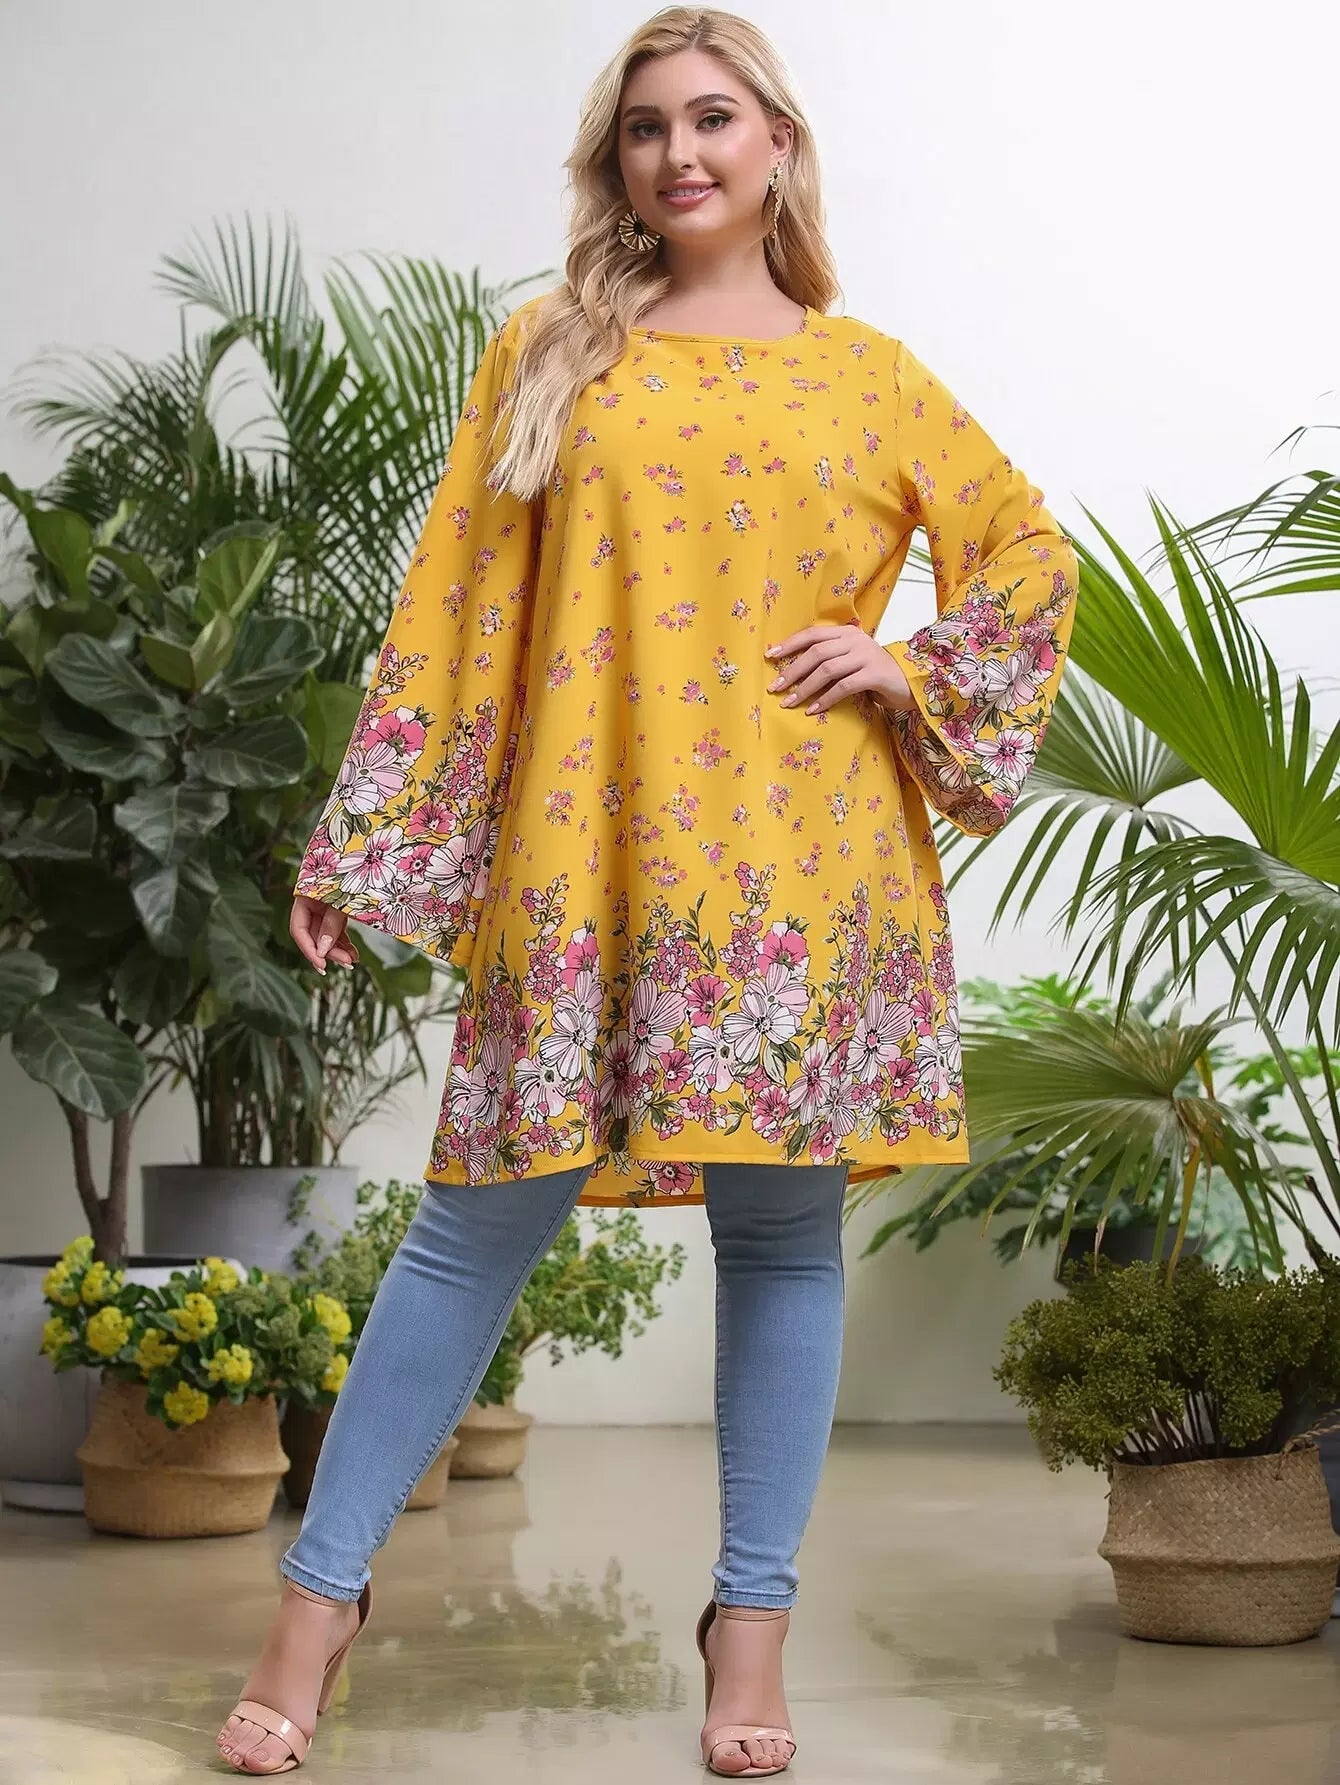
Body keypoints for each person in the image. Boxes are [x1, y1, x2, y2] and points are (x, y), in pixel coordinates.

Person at [216, 6, 1078, 1776]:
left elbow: (1027, 550)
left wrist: (910, 663)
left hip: (808, 874)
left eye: (712, 118)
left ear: (778, 144)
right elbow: (456, 597)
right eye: (644, 127)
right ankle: (318, 1599)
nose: (678, 152)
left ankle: (749, 1631)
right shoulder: (549, 352)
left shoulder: (869, 375)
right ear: (615, 161)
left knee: (781, 1238)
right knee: (473, 1225)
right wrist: (366, 833)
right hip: (585, 853)